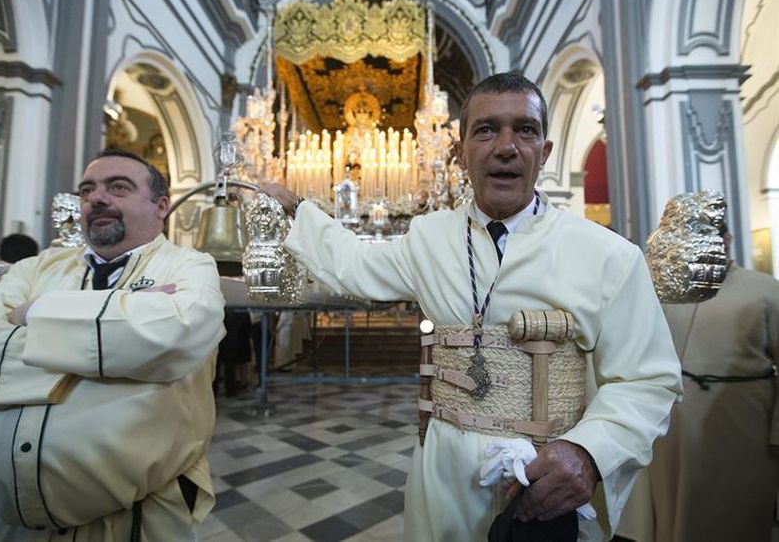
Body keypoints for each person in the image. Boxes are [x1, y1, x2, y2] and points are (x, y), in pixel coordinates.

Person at [262, 72, 682, 541]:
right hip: (443, 475)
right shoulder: (430, 238)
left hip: (545, 477)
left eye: (525, 129)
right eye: (486, 129)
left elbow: (649, 379)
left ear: (544, 152)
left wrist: (588, 453)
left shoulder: (610, 257)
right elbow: (355, 264)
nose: (506, 146)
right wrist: (296, 208)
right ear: (460, 153)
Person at [0, 148, 226, 541]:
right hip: (12, 528)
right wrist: (117, 343)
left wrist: (33, 313)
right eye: (87, 191)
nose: (97, 198)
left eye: (118, 187)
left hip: (133, 523)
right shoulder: (38, 267)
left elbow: (174, 335)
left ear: (161, 206)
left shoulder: (189, 266)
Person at [647, 223, 779, 542]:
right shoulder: (665, 290)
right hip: (673, 430)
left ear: (728, 240)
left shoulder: (766, 290)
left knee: (738, 511)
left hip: (744, 422)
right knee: (674, 515)